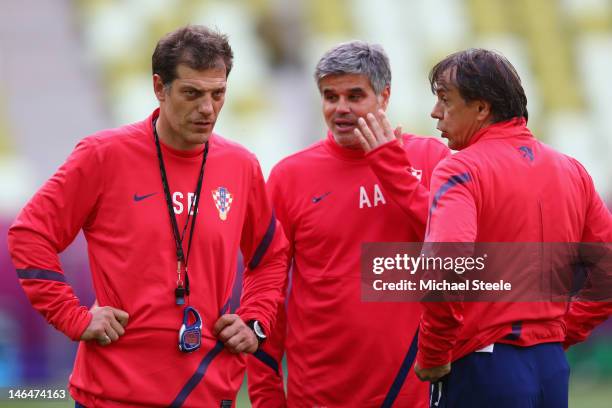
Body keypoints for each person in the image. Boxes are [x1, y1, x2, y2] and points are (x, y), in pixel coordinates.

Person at [7, 25, 288, 407]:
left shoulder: (241, 165)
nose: (207, 109)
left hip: (208, 391)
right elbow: (30, 234)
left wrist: (255, 320)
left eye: (217, 94)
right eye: (192, 93)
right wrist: (72, 316)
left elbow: (270, 256)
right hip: (112, 394)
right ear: (159, 87)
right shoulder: (102, 155)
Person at [246, 41, 450, 407]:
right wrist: (265, 394)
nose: (340, 108)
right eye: (330, 96)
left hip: (414, 392)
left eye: (355, 96)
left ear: (384, 96)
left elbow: (452, 253)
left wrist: (391, 167)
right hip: (319, 395)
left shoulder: (430, 158)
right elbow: (267, 292)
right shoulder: (289, 177)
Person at [414, 48, 612, 407]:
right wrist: (562, 332)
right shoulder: (572, 170)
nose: (435, 112)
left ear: (481, 108)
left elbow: (446, 266)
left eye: (445, 99)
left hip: (482, 364)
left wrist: (433, 352)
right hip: (551, 366)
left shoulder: (460, 169)